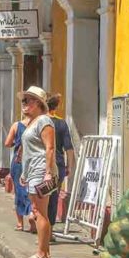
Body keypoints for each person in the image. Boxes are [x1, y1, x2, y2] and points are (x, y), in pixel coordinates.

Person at [18, 86, 58, 258]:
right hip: (33, 172)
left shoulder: (44, 121)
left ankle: (42, 253)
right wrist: (24, 173)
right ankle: (44, 252)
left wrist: (48, 173)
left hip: (41, 171)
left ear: (39, 103)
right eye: (23, 100)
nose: (24, 104)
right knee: (37, 211)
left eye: (28, 100)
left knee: (39, 213)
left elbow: (49, 147)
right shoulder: (33, 122)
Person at [47, 93, 76, 227]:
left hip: (40, 164)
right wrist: (69, 166)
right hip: (58, 165)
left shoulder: (38, 122)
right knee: (53, 197)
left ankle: (40, 225)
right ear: (56, 106)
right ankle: (49, 229)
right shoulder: (61, 123)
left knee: (39, 197)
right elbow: (69, 147)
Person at [4, 115, 34, 232]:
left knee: (18, 191)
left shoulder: (16, 126)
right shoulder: (37, 125)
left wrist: (16, 143)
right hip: (32, 162)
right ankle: (32, 213)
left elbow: (7, 143)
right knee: (32, 190)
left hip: (18, 162)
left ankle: (20, 223)